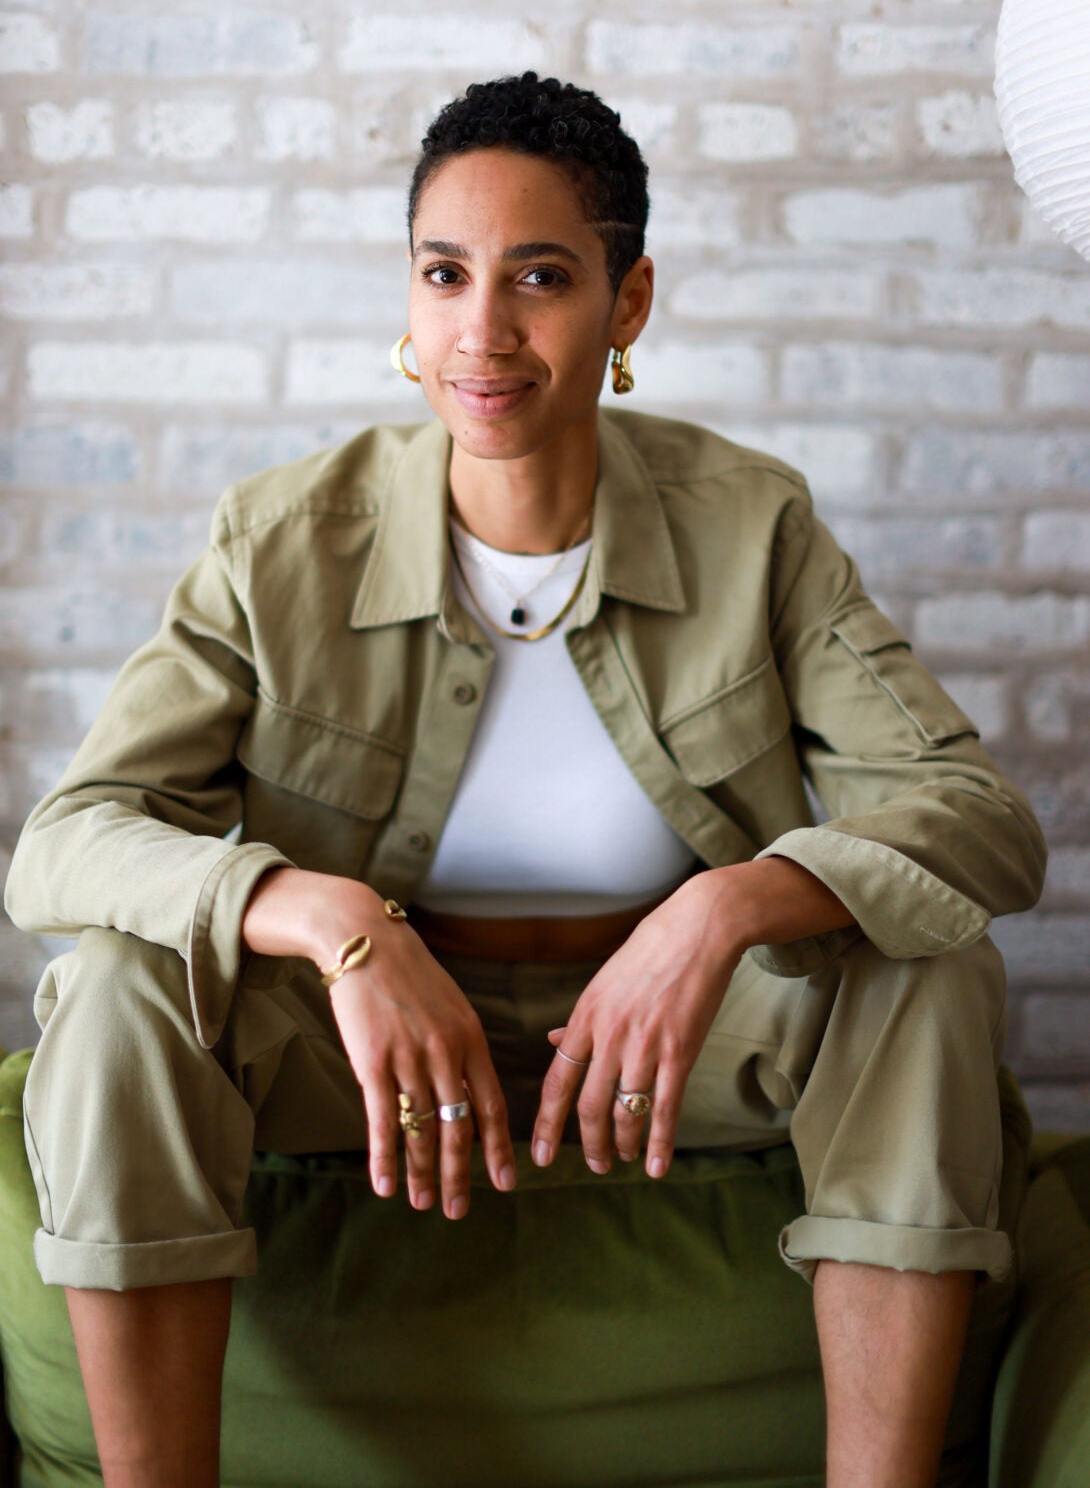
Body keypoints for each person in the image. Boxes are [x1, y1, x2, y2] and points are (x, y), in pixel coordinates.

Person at [4, 72, 1045, 1488]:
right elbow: (64, 844)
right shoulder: (276, 538)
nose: (481, 332)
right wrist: (331, 923)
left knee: (930, 969)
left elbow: (978, 822)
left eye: (541, 277)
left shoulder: (752, 523)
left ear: (626, 304)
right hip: (358, 1046)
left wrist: (725, 906)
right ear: (410, 299)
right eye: (445, 274)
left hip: (671, 1047)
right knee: (119, 986)